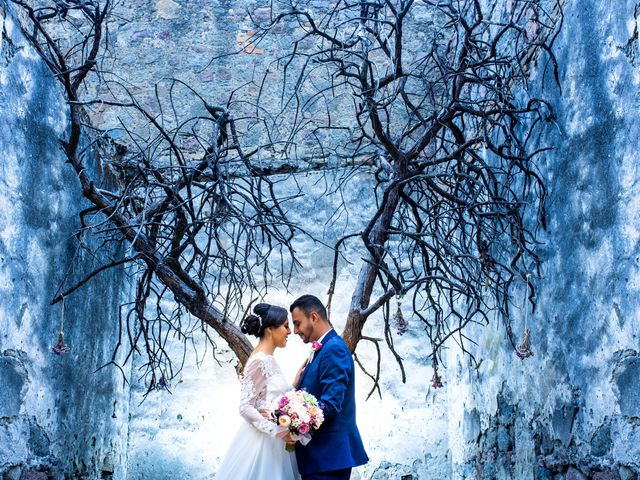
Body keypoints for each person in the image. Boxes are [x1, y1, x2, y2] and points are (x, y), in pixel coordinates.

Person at [215, 303, 301, 480]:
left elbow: (268, 397)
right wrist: (278, 431)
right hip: (264, 443)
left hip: (276, 443)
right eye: (285, 326)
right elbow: (245, 407)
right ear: (270, 329)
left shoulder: (267, 359)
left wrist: (293, 385)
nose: (290, 331)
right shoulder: (259, 361)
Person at [290, 295, 369, 480]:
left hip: (328, 458)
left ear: (314, 317)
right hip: (320, 458)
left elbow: (331, 404)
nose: (295, 330)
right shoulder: (323, 348)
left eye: (297, 323)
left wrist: (295, 427)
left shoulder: (333, 349)